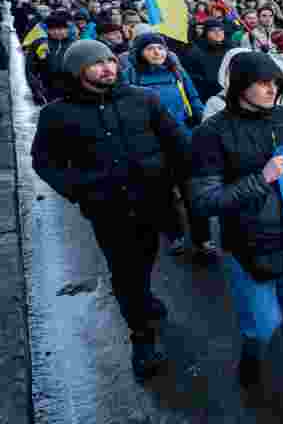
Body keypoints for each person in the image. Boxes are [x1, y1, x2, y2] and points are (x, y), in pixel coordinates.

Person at [31, 40, 186, 384]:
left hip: (151, 201)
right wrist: (80, 190)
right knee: (124, 270)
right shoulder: (58, 114)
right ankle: (142, 338)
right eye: (96, 63)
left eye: (110, 61)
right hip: (108, 210)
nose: (107, 68)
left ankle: (143, 297)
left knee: (145, 257)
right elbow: (44, 162)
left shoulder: (143, 100)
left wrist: (179, 181)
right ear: (78, 71)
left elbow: (175, 142)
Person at [189, 51, 283, 421]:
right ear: (240, 86)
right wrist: (261, 179)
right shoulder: (211, 133)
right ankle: (252, 351)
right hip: (247, 248)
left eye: (276, 84)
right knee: (265, 326)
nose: (272, 89)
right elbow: (204, 200)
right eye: (263, 83)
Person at [122, 33, 215, 257]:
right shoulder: (131, 74)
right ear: (139, 53)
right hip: (153, 144)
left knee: (194, 192)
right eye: (151, 49)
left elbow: (193, 98)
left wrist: (199, 118)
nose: (157, 53)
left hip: (185, 138)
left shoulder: (177, 71)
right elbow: (126, 107)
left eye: (161, 48)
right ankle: (175, 235)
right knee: (162, 194)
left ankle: (203, 239)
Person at [181, 19, 239, 102]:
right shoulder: (196, 51)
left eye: (220, 30)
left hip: (231, 94)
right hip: (208, 96)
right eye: (213, 30)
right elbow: (192, 77)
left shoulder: (231, 48)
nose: (218, 33)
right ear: (206, 33)